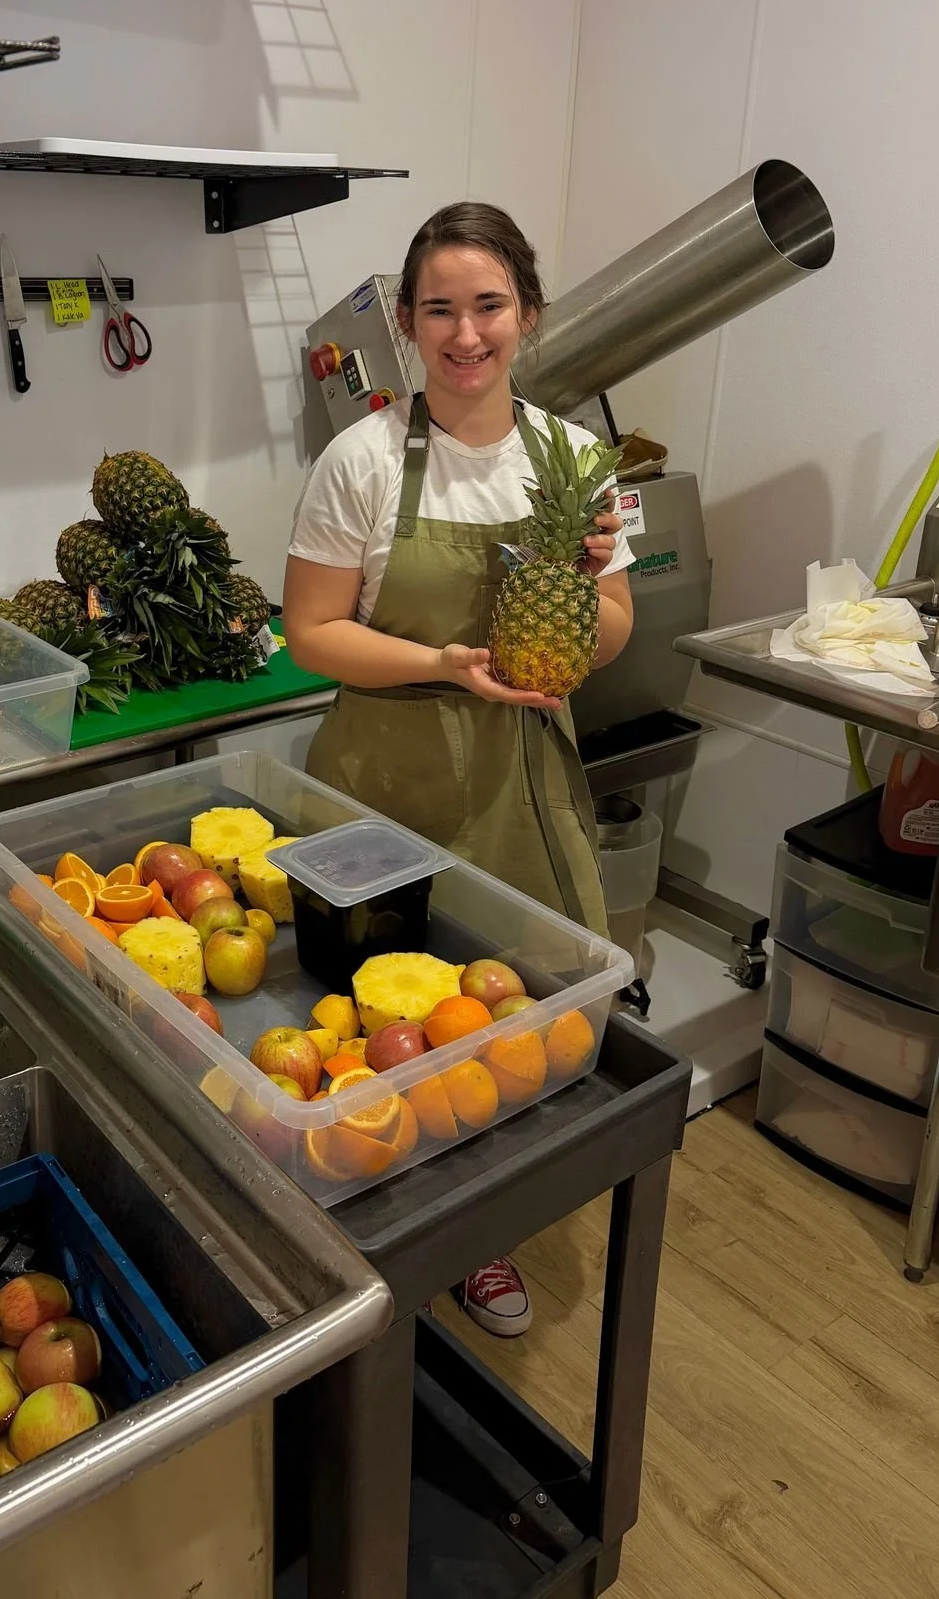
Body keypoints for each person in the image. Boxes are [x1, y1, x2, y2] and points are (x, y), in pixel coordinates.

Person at [283, 201, 634, 1338]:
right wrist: (443, 660)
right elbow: (313, 632)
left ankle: (476, 1242)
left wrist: (578, 601)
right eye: (440, 309)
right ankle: (357, 1246)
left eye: (488, 305)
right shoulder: (362, 459)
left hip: (518, 788)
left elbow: (619, 624)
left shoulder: (574, 460)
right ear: (407, 323)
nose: (466, 332)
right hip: (384, 781)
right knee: (373, 1027)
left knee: (501, 1028)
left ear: (525, 316)